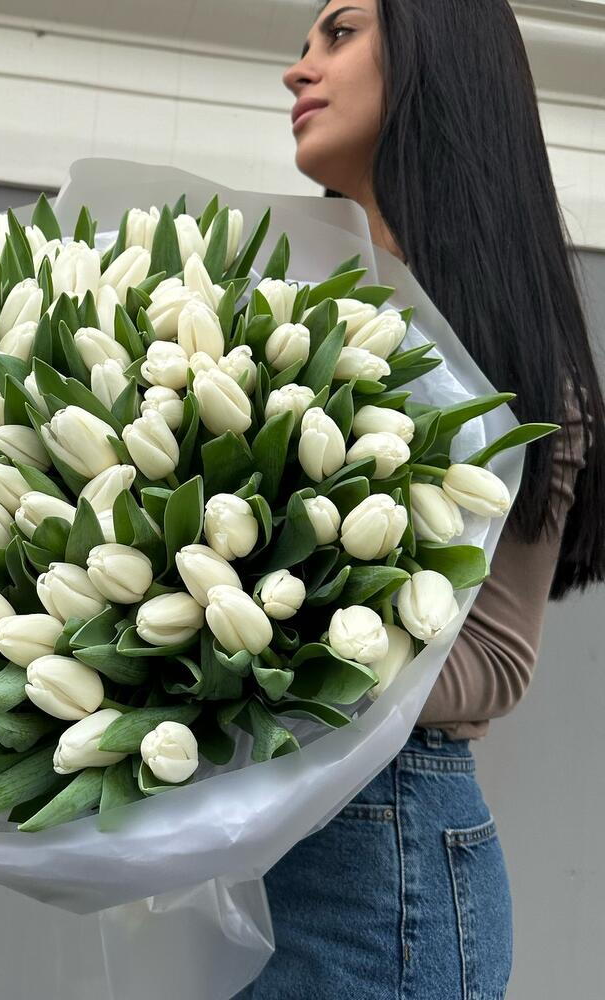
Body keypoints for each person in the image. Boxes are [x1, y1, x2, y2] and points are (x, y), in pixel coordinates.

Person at [234, 2, 605, 998]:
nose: (298, 69)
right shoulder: (278, 313)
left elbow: (495, 663)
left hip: (382, 867)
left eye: (339, 33)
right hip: (262, 849)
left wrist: (264, 664)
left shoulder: (510, 360)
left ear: (434, 57)